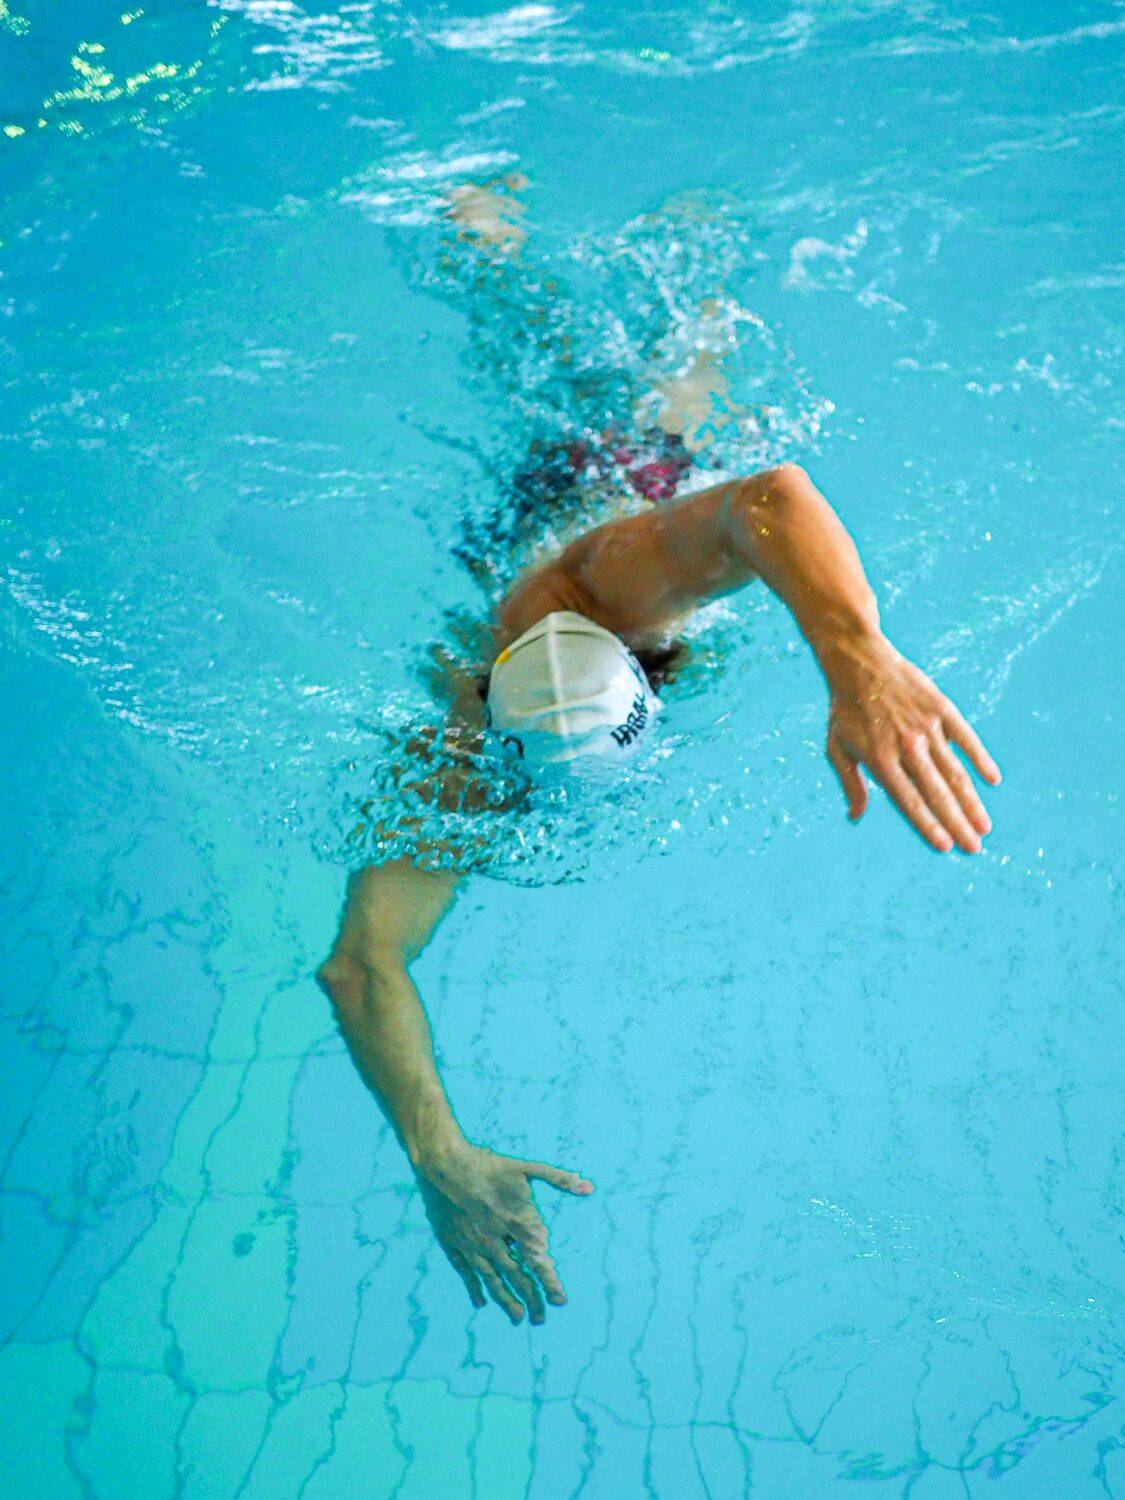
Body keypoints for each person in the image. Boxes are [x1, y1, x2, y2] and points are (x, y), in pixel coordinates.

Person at [317, 457, 1002, 1328]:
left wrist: (858, 657)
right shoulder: (461, 763)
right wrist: (438, 1153)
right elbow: (356, 968)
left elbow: (772, 494)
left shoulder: (610, 590)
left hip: (626, 462)